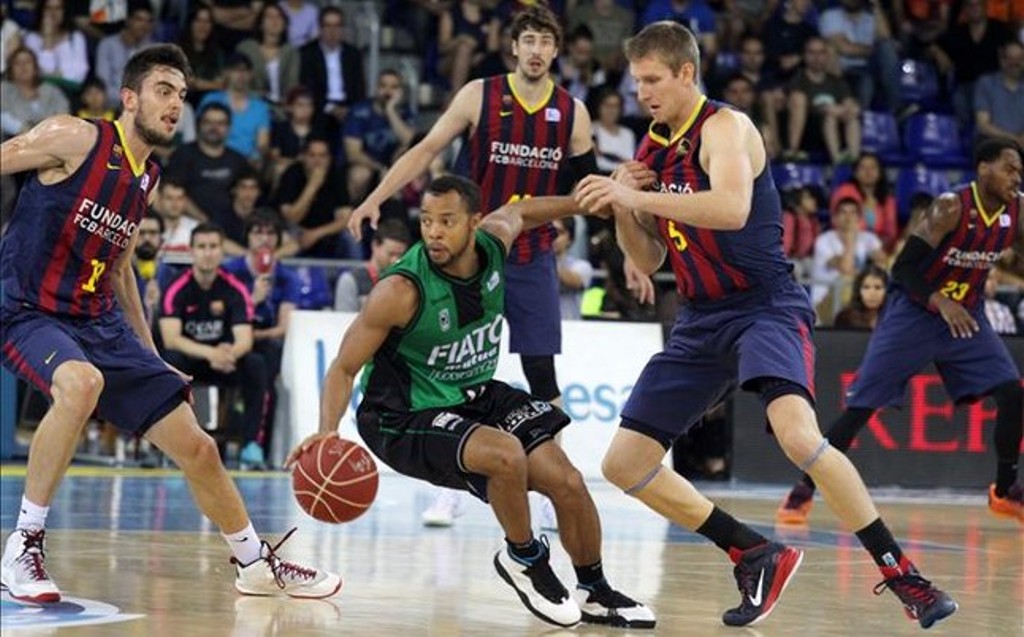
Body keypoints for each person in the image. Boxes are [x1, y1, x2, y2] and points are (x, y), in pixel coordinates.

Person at [573, 21, 957, 629]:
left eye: (652, 79)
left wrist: (637, 199)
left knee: (799, 437)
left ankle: (903, 573)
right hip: (700, 319)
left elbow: (731, 208)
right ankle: (754, 552)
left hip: (763, 305)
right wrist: (624, 205)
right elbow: (649, 260)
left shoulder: (727, 127)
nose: (642, 91)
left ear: (685, 74)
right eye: (635, 80)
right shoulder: (651, 149)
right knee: (624, 464)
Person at [0, 44, 339, 603]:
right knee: (82, 384)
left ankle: (253, 561)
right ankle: (24, 543)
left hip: (96, 320)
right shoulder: (73, 136)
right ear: (129, 97)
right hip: (29, 310)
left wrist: (149, 351)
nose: (175, 104)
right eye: (163, 90)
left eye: (181, 94)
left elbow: (121, 267)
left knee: (198, 446)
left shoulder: (147, 178)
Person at [286, 175, 655, 630]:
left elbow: (522, 211)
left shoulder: (494, 243)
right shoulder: (401, 291)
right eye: (426, 221)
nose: (434, 232)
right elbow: (342, 367)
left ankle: (595, 590)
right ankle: (524, 557)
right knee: (505, 455)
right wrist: (327, 433)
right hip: (401, 416)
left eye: (447, 221)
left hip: (473, 394)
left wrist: (584, 205)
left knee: (568, 480)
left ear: (474, 223)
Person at [347, 4, 652, 526]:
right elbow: (426, 149)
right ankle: (452, 483)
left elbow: (588, 194)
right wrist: (378, 196)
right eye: (527, 40)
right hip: (469, 256)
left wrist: (630, 254)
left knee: (541, 372)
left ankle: (553, 484)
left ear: (557, 51)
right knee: (450, 366)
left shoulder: (571, 112)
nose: (535, 50)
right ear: (514, 47)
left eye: (544, 42)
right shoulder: (478, 95)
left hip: (529, 255)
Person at [778, 137, 1024, 524]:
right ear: (983, 169)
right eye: (1009, 168)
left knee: (1012, 392)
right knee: (862, 405)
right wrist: (940, 302)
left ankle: (1004, 490)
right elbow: (904, 269)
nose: (1016, 176)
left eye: (1019, 170)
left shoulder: (1017, 212)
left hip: (965, 314)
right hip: (916, 311)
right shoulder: (950, 207)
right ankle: (803, 489)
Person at [333, 218, 410, 312]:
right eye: (391, 254)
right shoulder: (350, 280)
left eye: (400, 255)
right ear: (375, 245)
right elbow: (343, 321)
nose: (396, 260)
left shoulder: (405, 283)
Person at [833, 263, 888, 329]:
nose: (872, 293)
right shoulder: (845, 318)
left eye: (878, 287)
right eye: (866, 287)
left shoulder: (896, 319)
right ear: (858, 290)